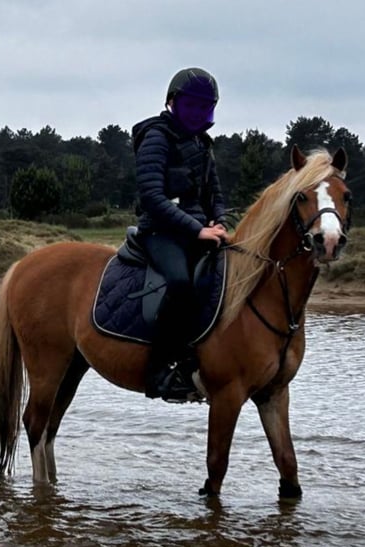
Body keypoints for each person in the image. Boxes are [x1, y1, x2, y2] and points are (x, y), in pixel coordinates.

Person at [131, 67, 229, 402]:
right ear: (173, 102)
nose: (198, 114)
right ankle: (160, 370)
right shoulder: (156, 137)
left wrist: (221, 222)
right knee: (179, 282)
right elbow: (152, 198)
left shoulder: (202, 144)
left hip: (199, 231)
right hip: (161, 232)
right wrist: (197, 229)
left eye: (204, 107)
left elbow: (215, 194)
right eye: (191, 106)